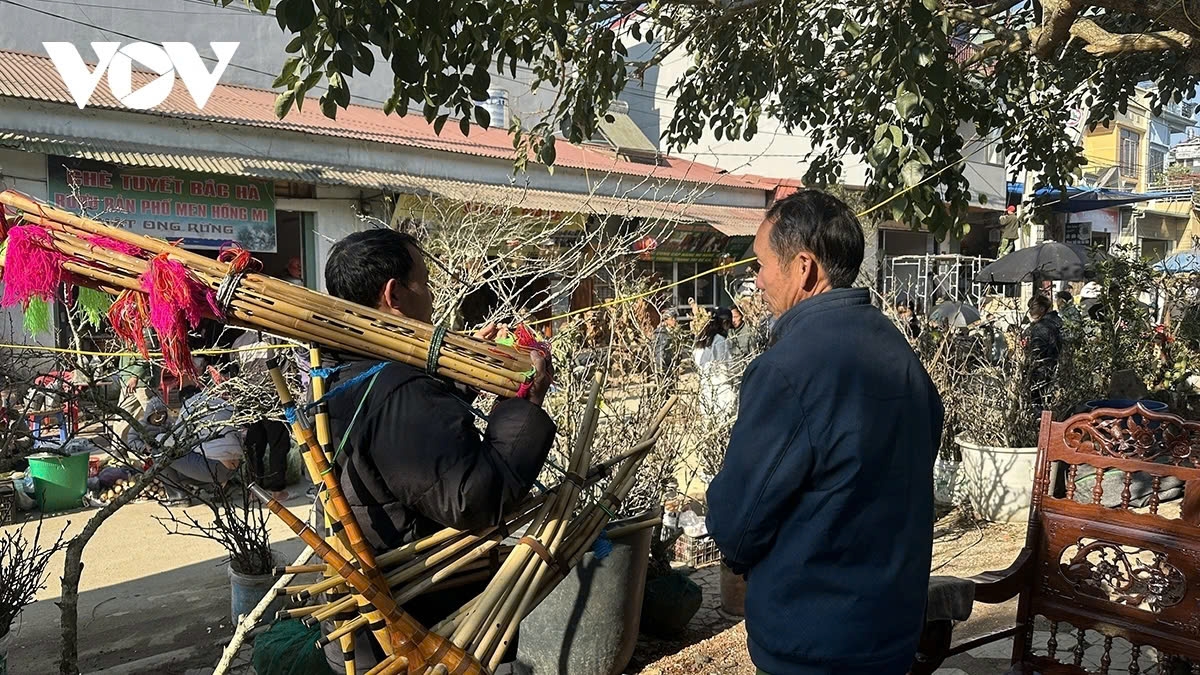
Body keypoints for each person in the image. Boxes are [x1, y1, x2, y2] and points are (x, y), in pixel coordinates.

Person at [705, 190, 944, 675]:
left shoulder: (788, 369)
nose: (757, 281)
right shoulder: (900, 355)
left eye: (761, 264)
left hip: (815, 642)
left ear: (804, 268)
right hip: (892, 630)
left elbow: (737, 525)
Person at [318, 229, 556, 671]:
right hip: (425, 632)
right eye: (423, 283)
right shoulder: (395, 390)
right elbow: (474, 497)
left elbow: (410, 444)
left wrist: (459, 377)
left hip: (371, 624)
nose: (431, 299)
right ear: (394, 294)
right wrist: (523, 405)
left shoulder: (339, 369)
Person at [156, 386, 245, 505]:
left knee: (158, 450)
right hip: (234, 467)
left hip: (214, 467)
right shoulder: (223, 404)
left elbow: (176, 438)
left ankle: (178, 498)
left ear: (183, 400)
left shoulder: (190, 404)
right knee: (181, 471)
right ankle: (215, 487)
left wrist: (157, 439)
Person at [693, 307, 737, 417]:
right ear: (725, 323)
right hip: (720, 386)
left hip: (706, 386)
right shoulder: (720, 340)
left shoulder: (704, 338)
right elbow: (727, 363)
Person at [1024, 293, 1063, 409]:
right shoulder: (1058, 321)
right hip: (1057, 368)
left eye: (1032, 308)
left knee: (1038, 405)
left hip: (1041, 371)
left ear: (1042, 308)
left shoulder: (1041, 327)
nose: (1030, 311)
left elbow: (1036, 352)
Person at [652, 307, 683, 375]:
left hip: (673, 367)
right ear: (666, 320)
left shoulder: (676, 333)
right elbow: (659, 352)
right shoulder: (661, 333)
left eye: (675, 318)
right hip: (664, 368)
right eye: (672, 318)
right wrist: (662, 369)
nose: (674, 320)